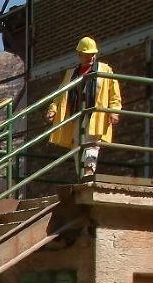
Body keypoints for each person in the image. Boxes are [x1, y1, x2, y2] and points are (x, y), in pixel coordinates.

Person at [46, 36, 122, 177]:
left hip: (95, 114)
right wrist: (53, 109)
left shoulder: (105, 70)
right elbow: (60, 94)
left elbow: (114, 93)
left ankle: (89, 170)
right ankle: (82, 175)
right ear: (80, 55)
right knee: (77, 145)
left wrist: (114, 111)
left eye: (93, 54)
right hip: (76, 115)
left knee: (92, 142)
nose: (91, 57)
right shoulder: (71, 74)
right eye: (87, 55)